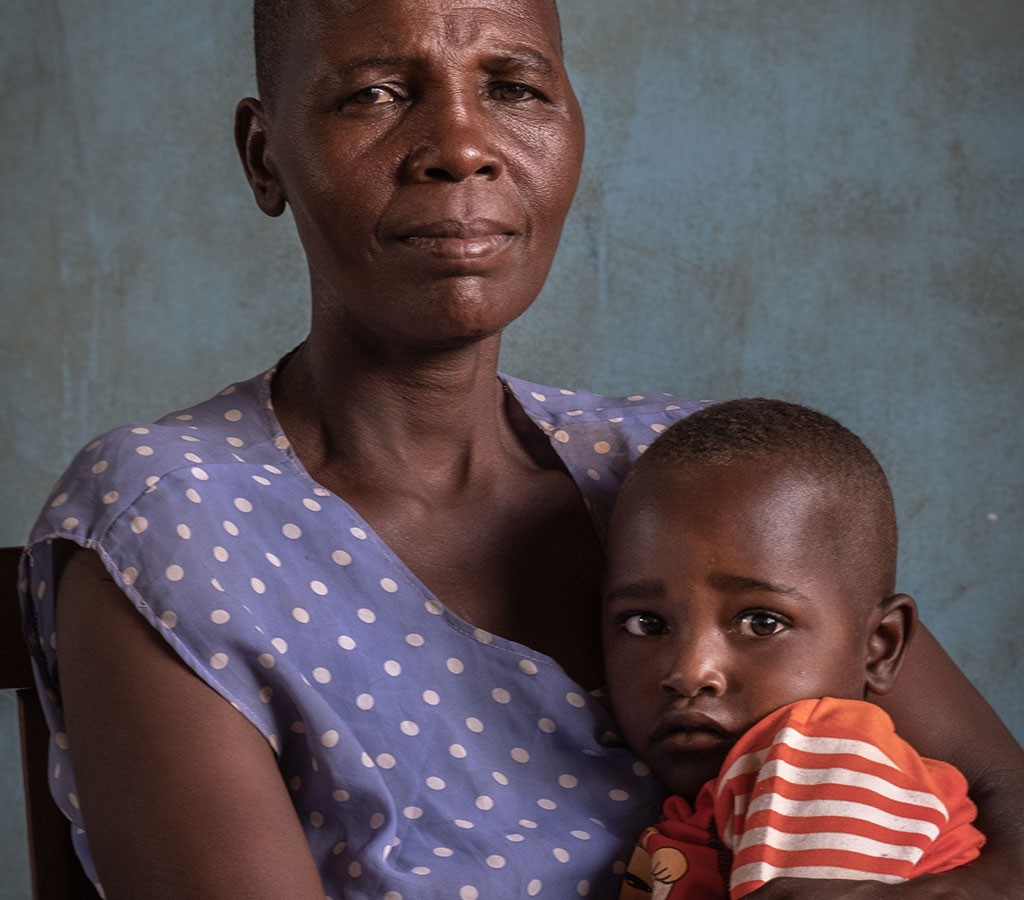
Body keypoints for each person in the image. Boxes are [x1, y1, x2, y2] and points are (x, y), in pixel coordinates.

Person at [16, 1, 1024, 898]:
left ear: (573, 124)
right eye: (372, 94)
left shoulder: (687, 472)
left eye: (512, 88)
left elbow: (1004, 807)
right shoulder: (169, 522)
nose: (460, 145)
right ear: (264, 155)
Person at [602, 399, 986, 899]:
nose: (691, 671)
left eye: (762, 622)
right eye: (646, 623)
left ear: (880, 647)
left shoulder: (825, 764)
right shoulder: (718, 802)